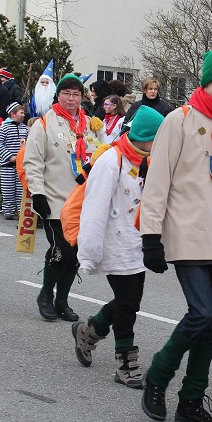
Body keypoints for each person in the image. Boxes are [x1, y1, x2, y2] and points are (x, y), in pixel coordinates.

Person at [138, 47, 212, 422]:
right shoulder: (179, 120)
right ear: (208, 81)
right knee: (201, 312)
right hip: (187, 232)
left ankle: (191, 401)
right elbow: (158, 180)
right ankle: (158, 374)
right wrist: (150, 234)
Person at [73, 105, 165, 388]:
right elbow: (94, 208)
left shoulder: (154, 161)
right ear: (145, 136)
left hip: (138, 243)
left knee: (131, 300)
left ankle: (90, 330)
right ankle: (126, 362)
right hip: (113, 241)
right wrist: (88, 254)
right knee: (128, 303)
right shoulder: (111, 161)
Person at [23, 73, 105, 322]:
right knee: (62, 251)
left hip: (82, 201)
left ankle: (62, 300)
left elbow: (101, 159)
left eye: (76, 94)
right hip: (54, 199)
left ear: (82, 97)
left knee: (76, 253)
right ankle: (46, 295)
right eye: (67, 94)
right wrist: (37, 193)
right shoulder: (44, 124)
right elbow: (33, 161)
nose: (71, 98)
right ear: (58, 95)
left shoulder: (92, 125)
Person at [0, 102, 28, 220]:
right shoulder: (4, 127)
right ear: (13, 114)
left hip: (21, 165)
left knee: (20, 189)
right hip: (8, 164)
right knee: (8, 189)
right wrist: (9, 156)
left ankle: (20, 210)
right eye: (21, 113)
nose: (23, 115)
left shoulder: (24, 128)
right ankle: (8, 209)